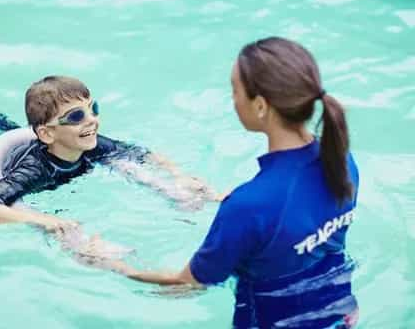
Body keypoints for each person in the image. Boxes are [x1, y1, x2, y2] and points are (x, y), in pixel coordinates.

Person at [118, 37, 360, 328]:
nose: (233, 100)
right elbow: (297, 222)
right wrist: (221, 198)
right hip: (342, 316)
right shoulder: (342, 161)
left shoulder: (248, 207)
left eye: (235, 90)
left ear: (260, 105)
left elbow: (185, 285)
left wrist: (113, 266)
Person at [0, 77, 220, 235]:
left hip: (11, 135)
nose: (91, 120)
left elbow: (146, 155)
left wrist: (178, 176)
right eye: (76, 116)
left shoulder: (91, 143)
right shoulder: (35, 169)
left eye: (92, 108)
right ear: (47, 134)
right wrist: (42, 220)